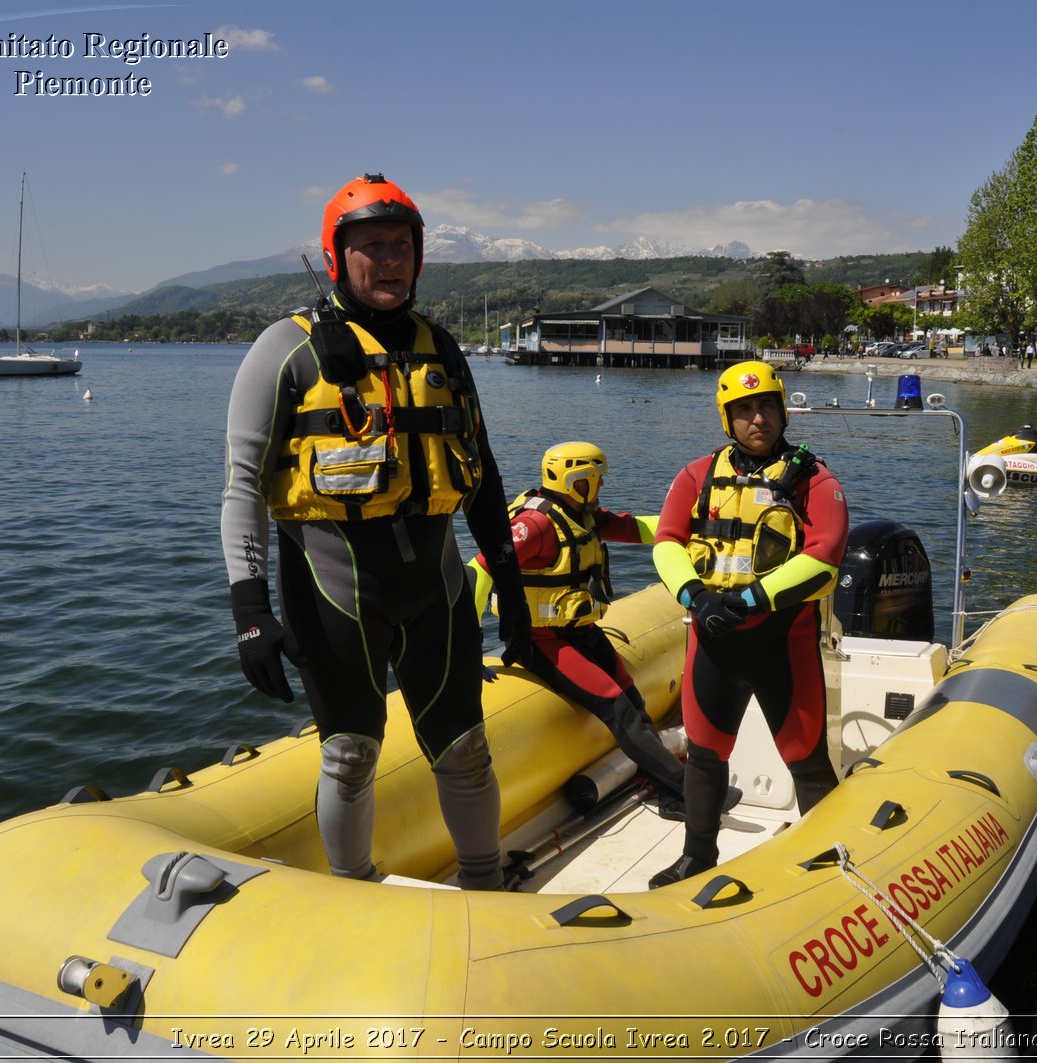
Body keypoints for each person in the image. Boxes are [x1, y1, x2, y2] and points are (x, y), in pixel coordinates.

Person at [220, 173, 529, 890]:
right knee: (350, 754)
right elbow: (241, 483)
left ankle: (484, 884)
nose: (388, 260)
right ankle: (352, 887)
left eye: (400, 245)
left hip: (438, 588)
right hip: (333, 592)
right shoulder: (284, 350)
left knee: (466, 747)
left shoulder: (442, 348)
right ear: (338, 257)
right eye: (370, 247)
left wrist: (510, 585)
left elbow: (480, 473)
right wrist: (248, 610)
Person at [646, 361, 850, 888]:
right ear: (727, 418)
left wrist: (755, 599)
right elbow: (667, 539)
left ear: (781, 411)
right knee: (706, 755)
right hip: (713, 640)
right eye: (743, 410)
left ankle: (830, 863)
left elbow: (825, 556)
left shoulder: (814, 479)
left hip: (781, 640)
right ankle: (697, 856)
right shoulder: (696, 475)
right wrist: (695, 595)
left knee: (805, 757)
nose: (756, 418)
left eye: (765, 407)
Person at [469, 441, 693, 814]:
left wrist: (694, 526)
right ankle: (688, 794)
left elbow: (638, 529)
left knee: (635, 705)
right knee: (619, 710)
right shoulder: (535, 525)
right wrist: (468, 644)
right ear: (576, 480)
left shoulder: (582, 514)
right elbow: (478, 570)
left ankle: (668, 789)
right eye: (596, 479)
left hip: (580, 631)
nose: (602, 486)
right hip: (539, 639)